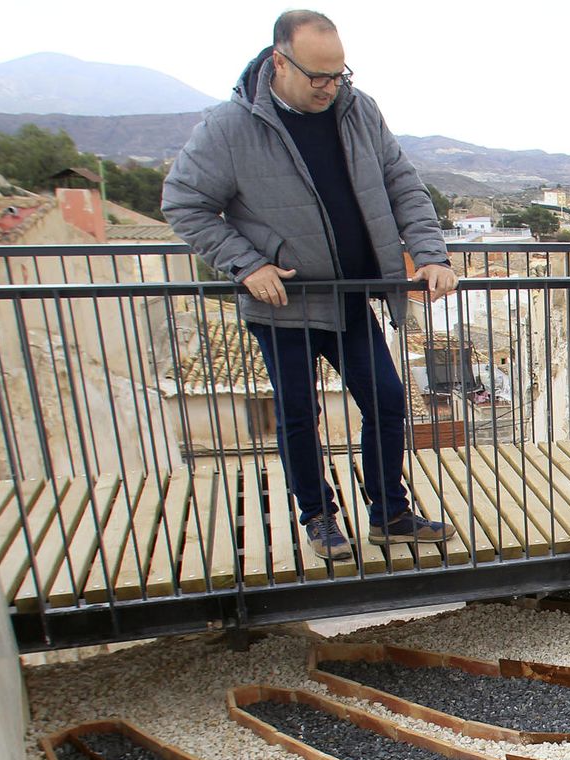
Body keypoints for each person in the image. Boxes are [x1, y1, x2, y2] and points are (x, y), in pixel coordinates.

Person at [162, 9, 456, 560]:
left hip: (349, 297)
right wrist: (248, 265)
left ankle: (390, 513)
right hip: (284, 301)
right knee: (298, 414)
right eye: (318, 76)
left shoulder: (359, 110)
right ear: (280, 62)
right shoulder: (230, 127)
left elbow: (403, 186)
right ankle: (319, 517)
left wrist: (431, 254)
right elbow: (184, 204)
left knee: (387, 401)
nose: (330, 87)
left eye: (339, 74)